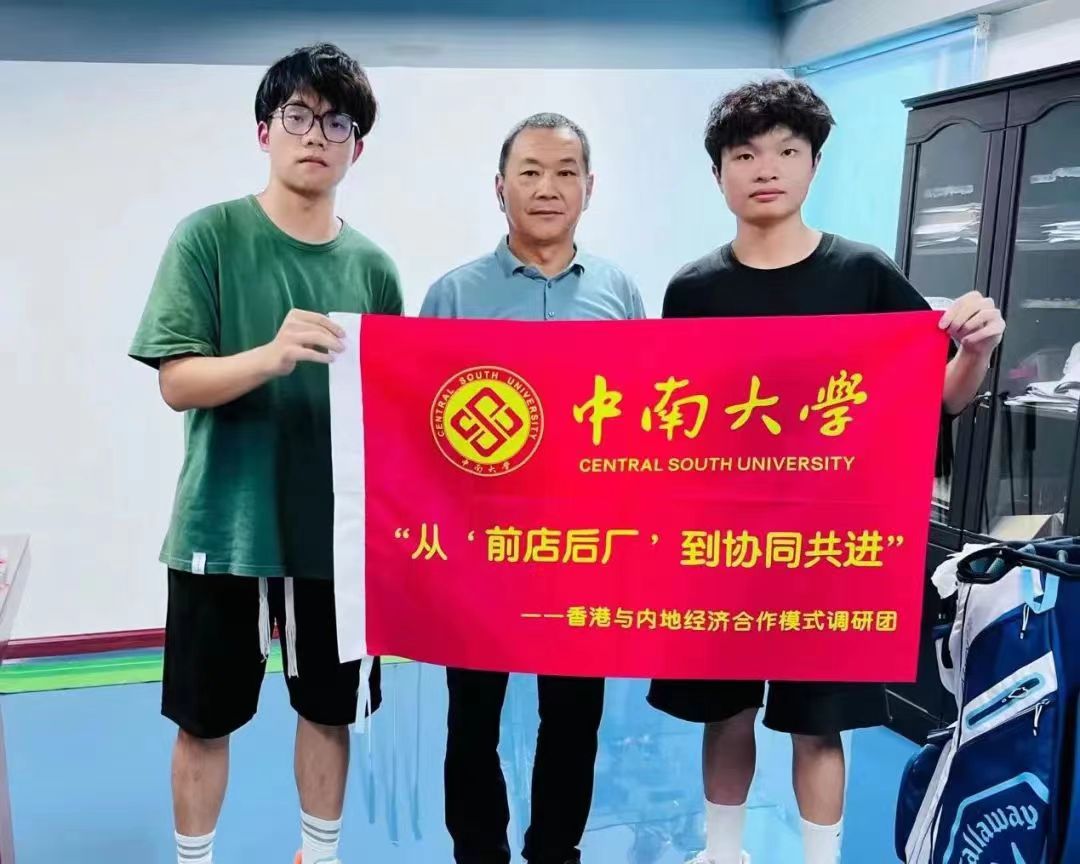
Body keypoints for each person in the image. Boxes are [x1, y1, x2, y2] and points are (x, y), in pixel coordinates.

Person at [646, 78, 1005, 864]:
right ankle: (724, 852)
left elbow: (932, 402)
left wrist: (975, 352)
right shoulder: (693, 290)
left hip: (829, 544)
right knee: (725, 710)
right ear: (719, 174)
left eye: (787, 150)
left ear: (813, 165)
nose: (766, 168)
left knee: (820, 722)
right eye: (745, 154)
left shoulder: (863, 275)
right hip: (725, 543)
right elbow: (670, 422)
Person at [128, 43, 403, 864]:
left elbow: (393, 408)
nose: (316, 135)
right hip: (224, 526)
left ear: (357, 147)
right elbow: (177, 382)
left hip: (335, 537)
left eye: (337, 122)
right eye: (298, 116)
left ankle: (319, 855)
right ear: (264, 131)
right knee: (203, 720)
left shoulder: (374, 268)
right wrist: (270, 356)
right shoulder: (208, 237)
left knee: (330, 711)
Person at [420, 112, 646, 864]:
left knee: (574, 719)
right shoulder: (454, 294)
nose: (548, 188)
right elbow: (419, 426)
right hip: (477, 551)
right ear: (500, 187)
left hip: (583, 546)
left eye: (565, 172)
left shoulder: (618, 292)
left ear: (589, 187)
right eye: (530, 172)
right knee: (472, 720)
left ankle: (555, 851)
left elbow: (644, 420)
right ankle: (477, 852)